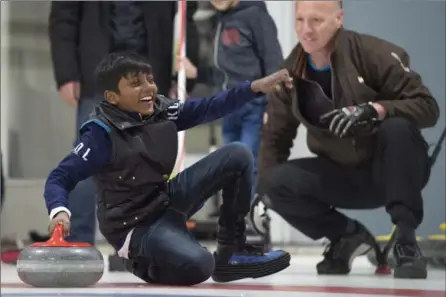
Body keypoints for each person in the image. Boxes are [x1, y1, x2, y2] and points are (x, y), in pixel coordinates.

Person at [44, 52, 293, 286]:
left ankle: (231, 252)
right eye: (135, 83)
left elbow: (209, 107)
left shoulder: (161, 110)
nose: (148, 88)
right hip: (136, 228)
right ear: (113, 97)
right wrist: (59, 211)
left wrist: (254, 88)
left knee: (238, 154)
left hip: (165, 199)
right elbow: (60, 177)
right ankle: (143, 263)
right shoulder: (99, 133)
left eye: (149, 80)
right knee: (202, 265)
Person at [256, 0, 439, 280]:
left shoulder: (373, 54)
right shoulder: (289, 74)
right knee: (270, 181)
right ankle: (346, 237)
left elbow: (428, 108)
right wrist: (261, 197)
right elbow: (275, 137)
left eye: (316, 20)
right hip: (340, 176)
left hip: (391, 171)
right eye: (300, 20)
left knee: (398, 128)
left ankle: (405, 239)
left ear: (338, 19)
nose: (306, 30)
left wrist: (376, 110)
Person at [48, 1, 200, 245]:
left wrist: (182, 72)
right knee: (87, 157)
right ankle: (75, 241)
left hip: (151, 69)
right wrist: (67, 72)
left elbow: (184, 15)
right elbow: (64, 17)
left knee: (147, 161)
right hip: (98, 71)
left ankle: (140, 241)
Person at [180, 0, 283, 186]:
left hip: (253, 107)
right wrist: (197, 73)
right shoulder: (221, 19)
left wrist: (273, 106)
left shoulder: (255, 16)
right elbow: (222, 71)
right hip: (229, 106)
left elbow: (273, 63)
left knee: (246, 165)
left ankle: (245, 212)